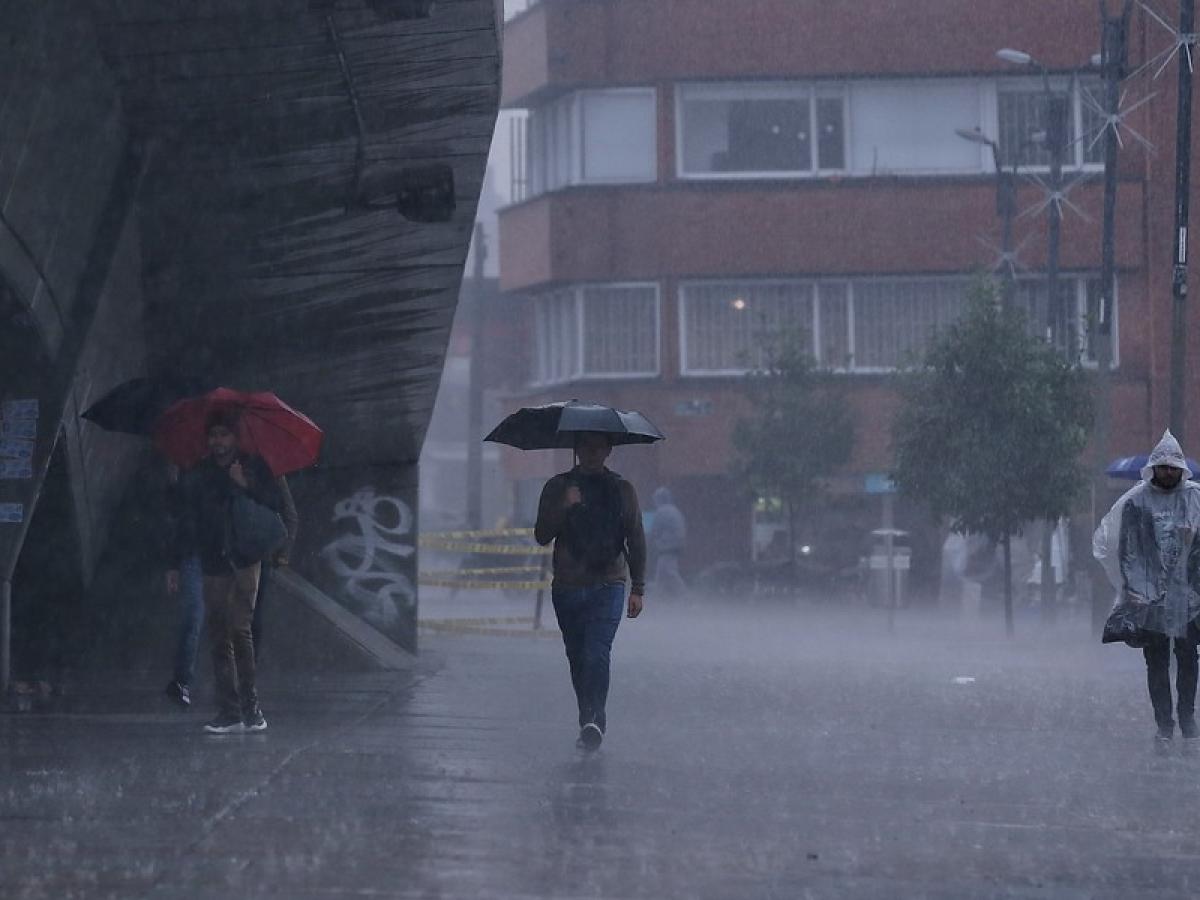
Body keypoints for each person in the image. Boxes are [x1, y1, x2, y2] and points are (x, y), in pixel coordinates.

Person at [167, 408, 286, 734]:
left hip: (245, 557)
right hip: (213, 558)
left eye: (224, 435)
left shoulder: (253, 466)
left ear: (235, 437)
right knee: (218, 633)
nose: (218, 442)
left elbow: (273, 506)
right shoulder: (200, 473)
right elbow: (187, 519)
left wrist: (245, 484)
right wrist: (176, 563)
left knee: (240, 629)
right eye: (214, 436)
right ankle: (229, 711)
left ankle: (251, 708)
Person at [534, 431, 646, 752]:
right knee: (577, 656)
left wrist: (637, 587)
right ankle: (587, 713)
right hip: (568, 586)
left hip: (608, 584)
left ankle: (595, 718)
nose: (593, 452)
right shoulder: (558, 487)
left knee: (597, 652)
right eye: (586, 445)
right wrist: (565, 507)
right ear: (577, 448)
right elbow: (542, 534)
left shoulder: (622, 489)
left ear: (609, 449)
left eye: (599, 446)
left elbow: (635, 538)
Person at [1094, 430, 1200, 754]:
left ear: (1181, 469)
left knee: (1187, 657)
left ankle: (1186, 716)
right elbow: (1128, 549)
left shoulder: (1195, 498)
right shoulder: (1137, 502)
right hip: (1149, 596)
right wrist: (1135, 589)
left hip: (1187, 595)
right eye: (1163, 466)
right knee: (1156, 660)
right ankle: (1164, 724)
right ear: (1154, 468)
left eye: (1173, 467)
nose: (1168, 472)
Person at [648, 486, 687, 598]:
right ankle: (657, 596)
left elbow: (654, 531)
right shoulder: (674, 510)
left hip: (668, 546)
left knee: (669, 572)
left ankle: (685, 597)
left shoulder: (661, 511)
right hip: (676, 545)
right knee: (662, 572)